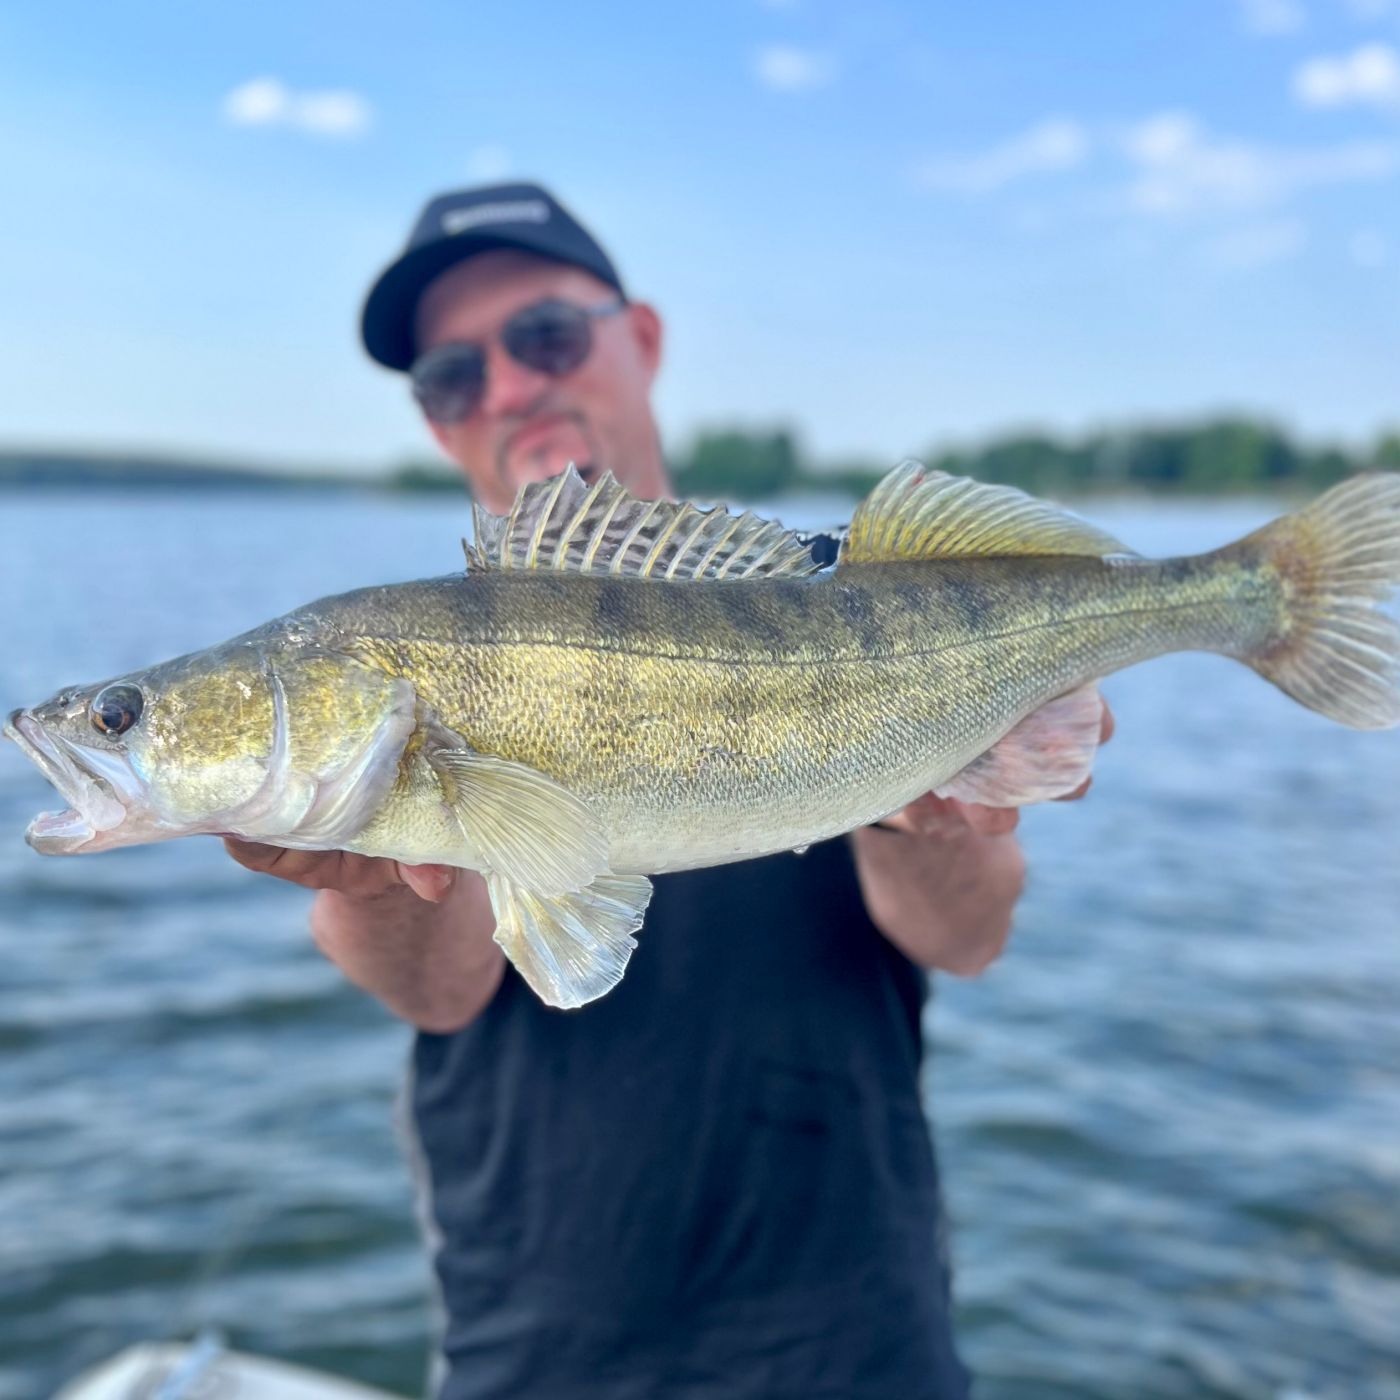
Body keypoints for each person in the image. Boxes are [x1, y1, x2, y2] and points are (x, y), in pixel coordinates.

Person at [226, 183, 1108, 1399]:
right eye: (449, 375)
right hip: (534, 1340)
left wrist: (918, 776)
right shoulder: (401, 661)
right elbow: (439, 992)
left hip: (853, 1330)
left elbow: (967, 933)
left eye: (543, 336)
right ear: (436, 425)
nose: (508, 386)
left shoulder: (843, 592)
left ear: (638, 340)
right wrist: (364, 869)